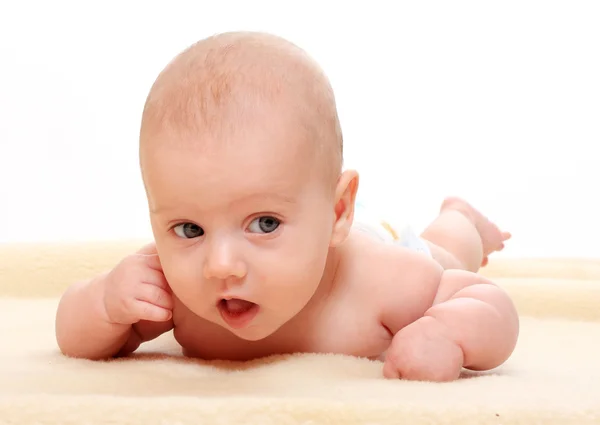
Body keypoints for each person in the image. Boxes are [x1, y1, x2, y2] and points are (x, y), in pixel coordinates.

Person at [55, 31, 518, 382]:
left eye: (264, 223)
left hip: (388, 245)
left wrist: (446, 333)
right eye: (189, 230)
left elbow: (488, 303)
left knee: (448, 250)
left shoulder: (384, 282)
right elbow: (72, 336)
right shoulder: (169, 289)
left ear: (337, 212)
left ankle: (461, 216)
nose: (221, 266)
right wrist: (103, 302)